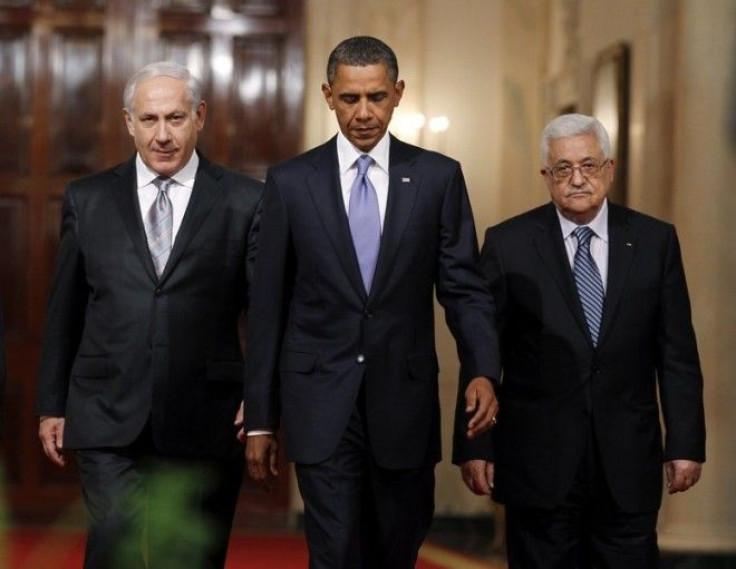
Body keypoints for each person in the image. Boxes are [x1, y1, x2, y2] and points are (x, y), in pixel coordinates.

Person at [242, 36, 500, 569]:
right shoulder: (291, 183)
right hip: (319, 402)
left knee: (393, 551)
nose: (364, 113)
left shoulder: (436, 178)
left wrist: (483, 368)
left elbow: (464, 289)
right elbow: (268, 306)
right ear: (328, 96)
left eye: (377, 97)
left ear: (399, 94)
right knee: (334, 552)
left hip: (402, 404)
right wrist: (263, 420)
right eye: (350, 99)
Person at [36, 61, 262, 569]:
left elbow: (266, 313)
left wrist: (261, 398)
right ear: (128, 122)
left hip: (206, 415)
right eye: (149, 120)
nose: (162, 135)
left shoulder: (246, 201)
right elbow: (64, 309)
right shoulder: (87, 199)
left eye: (176, 118)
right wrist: (51, 404)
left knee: (189, 556)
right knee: (114, 540)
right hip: (106, 412)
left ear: (200, 116)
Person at [454, 113, 706, 568]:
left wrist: (685, 443)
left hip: (627, 460)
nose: (577, 180)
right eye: (563, 169)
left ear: (609, 169)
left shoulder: (654, 241)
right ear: (546, 177)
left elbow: (677, 354)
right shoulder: (508, 243)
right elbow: (480, 349)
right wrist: (475, 446)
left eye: (588, 166)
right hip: (538, 463)